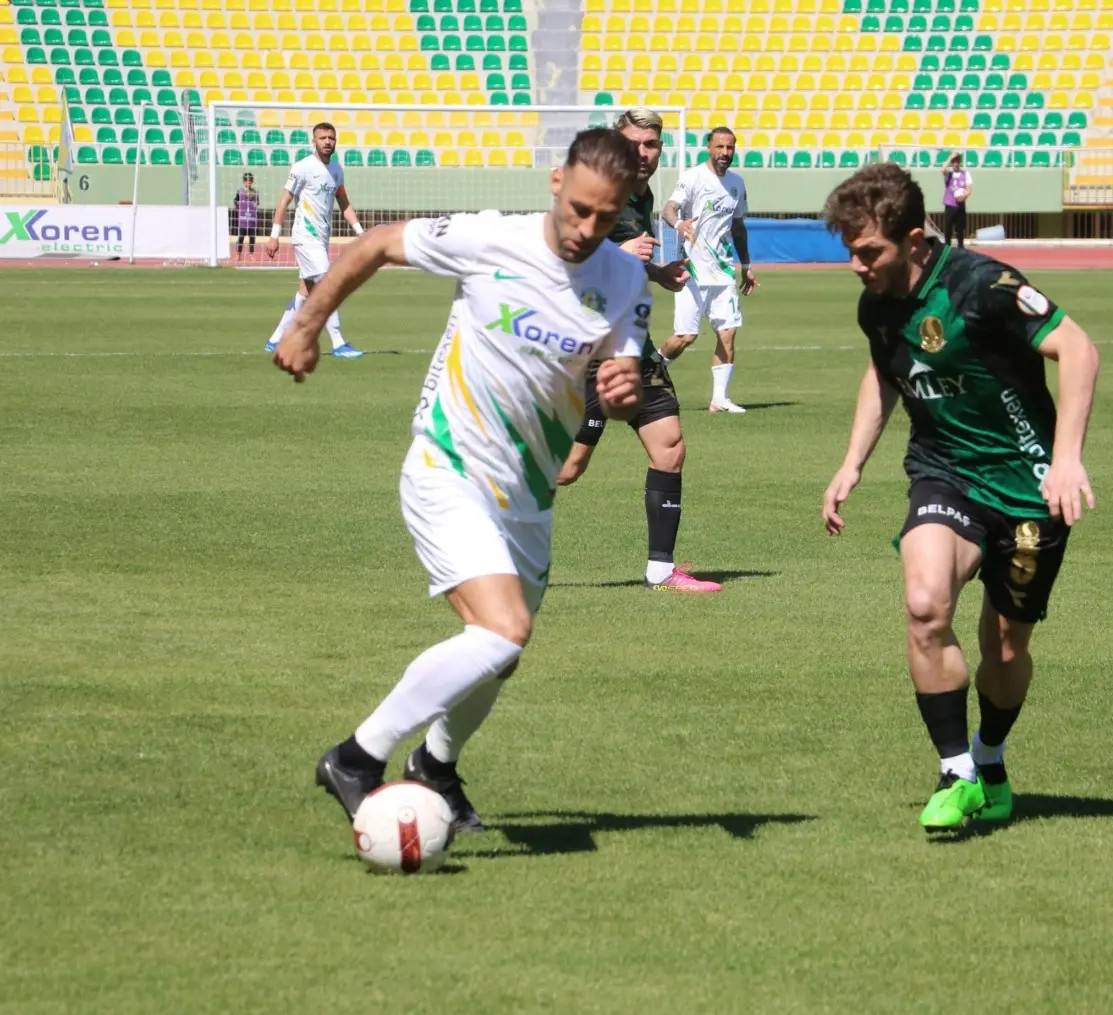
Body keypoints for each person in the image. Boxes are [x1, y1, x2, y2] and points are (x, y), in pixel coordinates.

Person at [272, 128, 650, 834]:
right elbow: (376, 244)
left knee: (499, 657)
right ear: (554, 181)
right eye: (577, 208)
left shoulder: (623, 277)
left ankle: (435, 768)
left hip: (529, 495)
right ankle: (356, 757)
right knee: (504, 629)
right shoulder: (487, 239)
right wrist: (307, 322)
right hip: (448, 466)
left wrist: (624, 385)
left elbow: (621, 370)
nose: (586, 229)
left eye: (605, 216)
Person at [819, 163, 1100, 831]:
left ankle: (990, 757)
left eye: (869, 252)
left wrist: (1064, 460)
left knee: (1004, 647)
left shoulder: (985, 286)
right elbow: (885, 374)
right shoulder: (876, 303)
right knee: (923, 605)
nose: (857, 266)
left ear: (915, 239)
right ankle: (956, 771)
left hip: (1028, 489)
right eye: (851, 252)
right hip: (944, 472)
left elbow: (1079, 348)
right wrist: (851, 463)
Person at [555, 108, 722, 593]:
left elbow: (627, 256)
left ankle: (661, 570)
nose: (644, 153)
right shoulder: (594, 188)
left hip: (634, 344)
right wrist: (618, 255)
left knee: (670, 447)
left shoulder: (641, 193)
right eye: (635, 144)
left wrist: (657, 273)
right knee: (567, 470)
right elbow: (563, 254)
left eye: (652, 145)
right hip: (587, 348)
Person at [659, 126, 758, 414]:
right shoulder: (693, 177)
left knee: (728, 332)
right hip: (693, 270)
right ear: (709, 148)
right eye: (720, 147)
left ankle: (719, 399)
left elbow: (738, 227)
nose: (725, 153)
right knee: (685, 337)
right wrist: (680, 225)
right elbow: (668, 209)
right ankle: (647, 372)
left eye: (730, 148)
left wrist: (747, 265)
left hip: (724, 271)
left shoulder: (737, 184)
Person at [263, 122, 364, 359]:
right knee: (327, 284)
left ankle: (275, 339)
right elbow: (283, 201)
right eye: (322, 138)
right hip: (304, 236)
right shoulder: (303, 168)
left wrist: (361, 233)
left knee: (306, 291)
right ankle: (338, 342)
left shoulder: (336, 170)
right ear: (314, 141)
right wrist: (274, 236)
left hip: (321, 238)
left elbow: (344, 203)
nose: (327, 142)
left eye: (331, 138)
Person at [941, 153, 972, 249]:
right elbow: (942, 169)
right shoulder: (949, 174)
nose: (956, 163)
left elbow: (969, 189)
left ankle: (961, 248)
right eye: (954, 161)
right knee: (948, 230)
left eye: (958, 161)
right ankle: (947, 249)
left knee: (960, 230)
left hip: (960, 206)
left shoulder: (965, 174)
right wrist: (950, 157)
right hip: (950, 206)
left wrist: (965, 196)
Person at [233, 173, 259, 261]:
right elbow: (235, 201)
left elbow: (257, 203)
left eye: (250, 181)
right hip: (243, 219)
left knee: (252, 237)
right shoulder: (239, 191)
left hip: (251, 219)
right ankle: (238, 254)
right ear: (244, 182)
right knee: (241, 237)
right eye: (247, 181)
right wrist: (238, 208)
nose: (249, 183)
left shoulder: (255, 192)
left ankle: (251, 254)